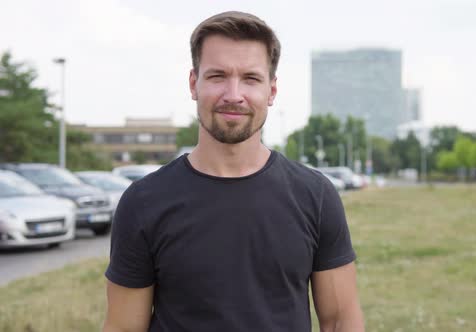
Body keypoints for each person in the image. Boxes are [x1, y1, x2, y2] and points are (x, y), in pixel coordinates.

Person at [103, 11, 364, 332]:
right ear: (193, 83)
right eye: (217, 76)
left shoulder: (316, 195)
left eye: (251, 78)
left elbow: (340, 323)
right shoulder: (142, 202)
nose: (233, 94)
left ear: (271, 91)